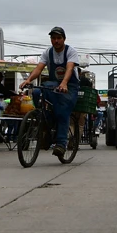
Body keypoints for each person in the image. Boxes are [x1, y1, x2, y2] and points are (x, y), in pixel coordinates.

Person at [18, 27, 80, 157]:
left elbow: (69, 69)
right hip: (54, 85)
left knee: (62, 112)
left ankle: (61, 144)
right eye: (53, 38)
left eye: (59, 38)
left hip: (70, 86)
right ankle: (45, 120)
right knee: (36, 91)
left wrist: (64, 83)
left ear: (64, 39)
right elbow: (39, 68)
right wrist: (29, 79)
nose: (56, 41)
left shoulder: (70, 51)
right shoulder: (47, 52)